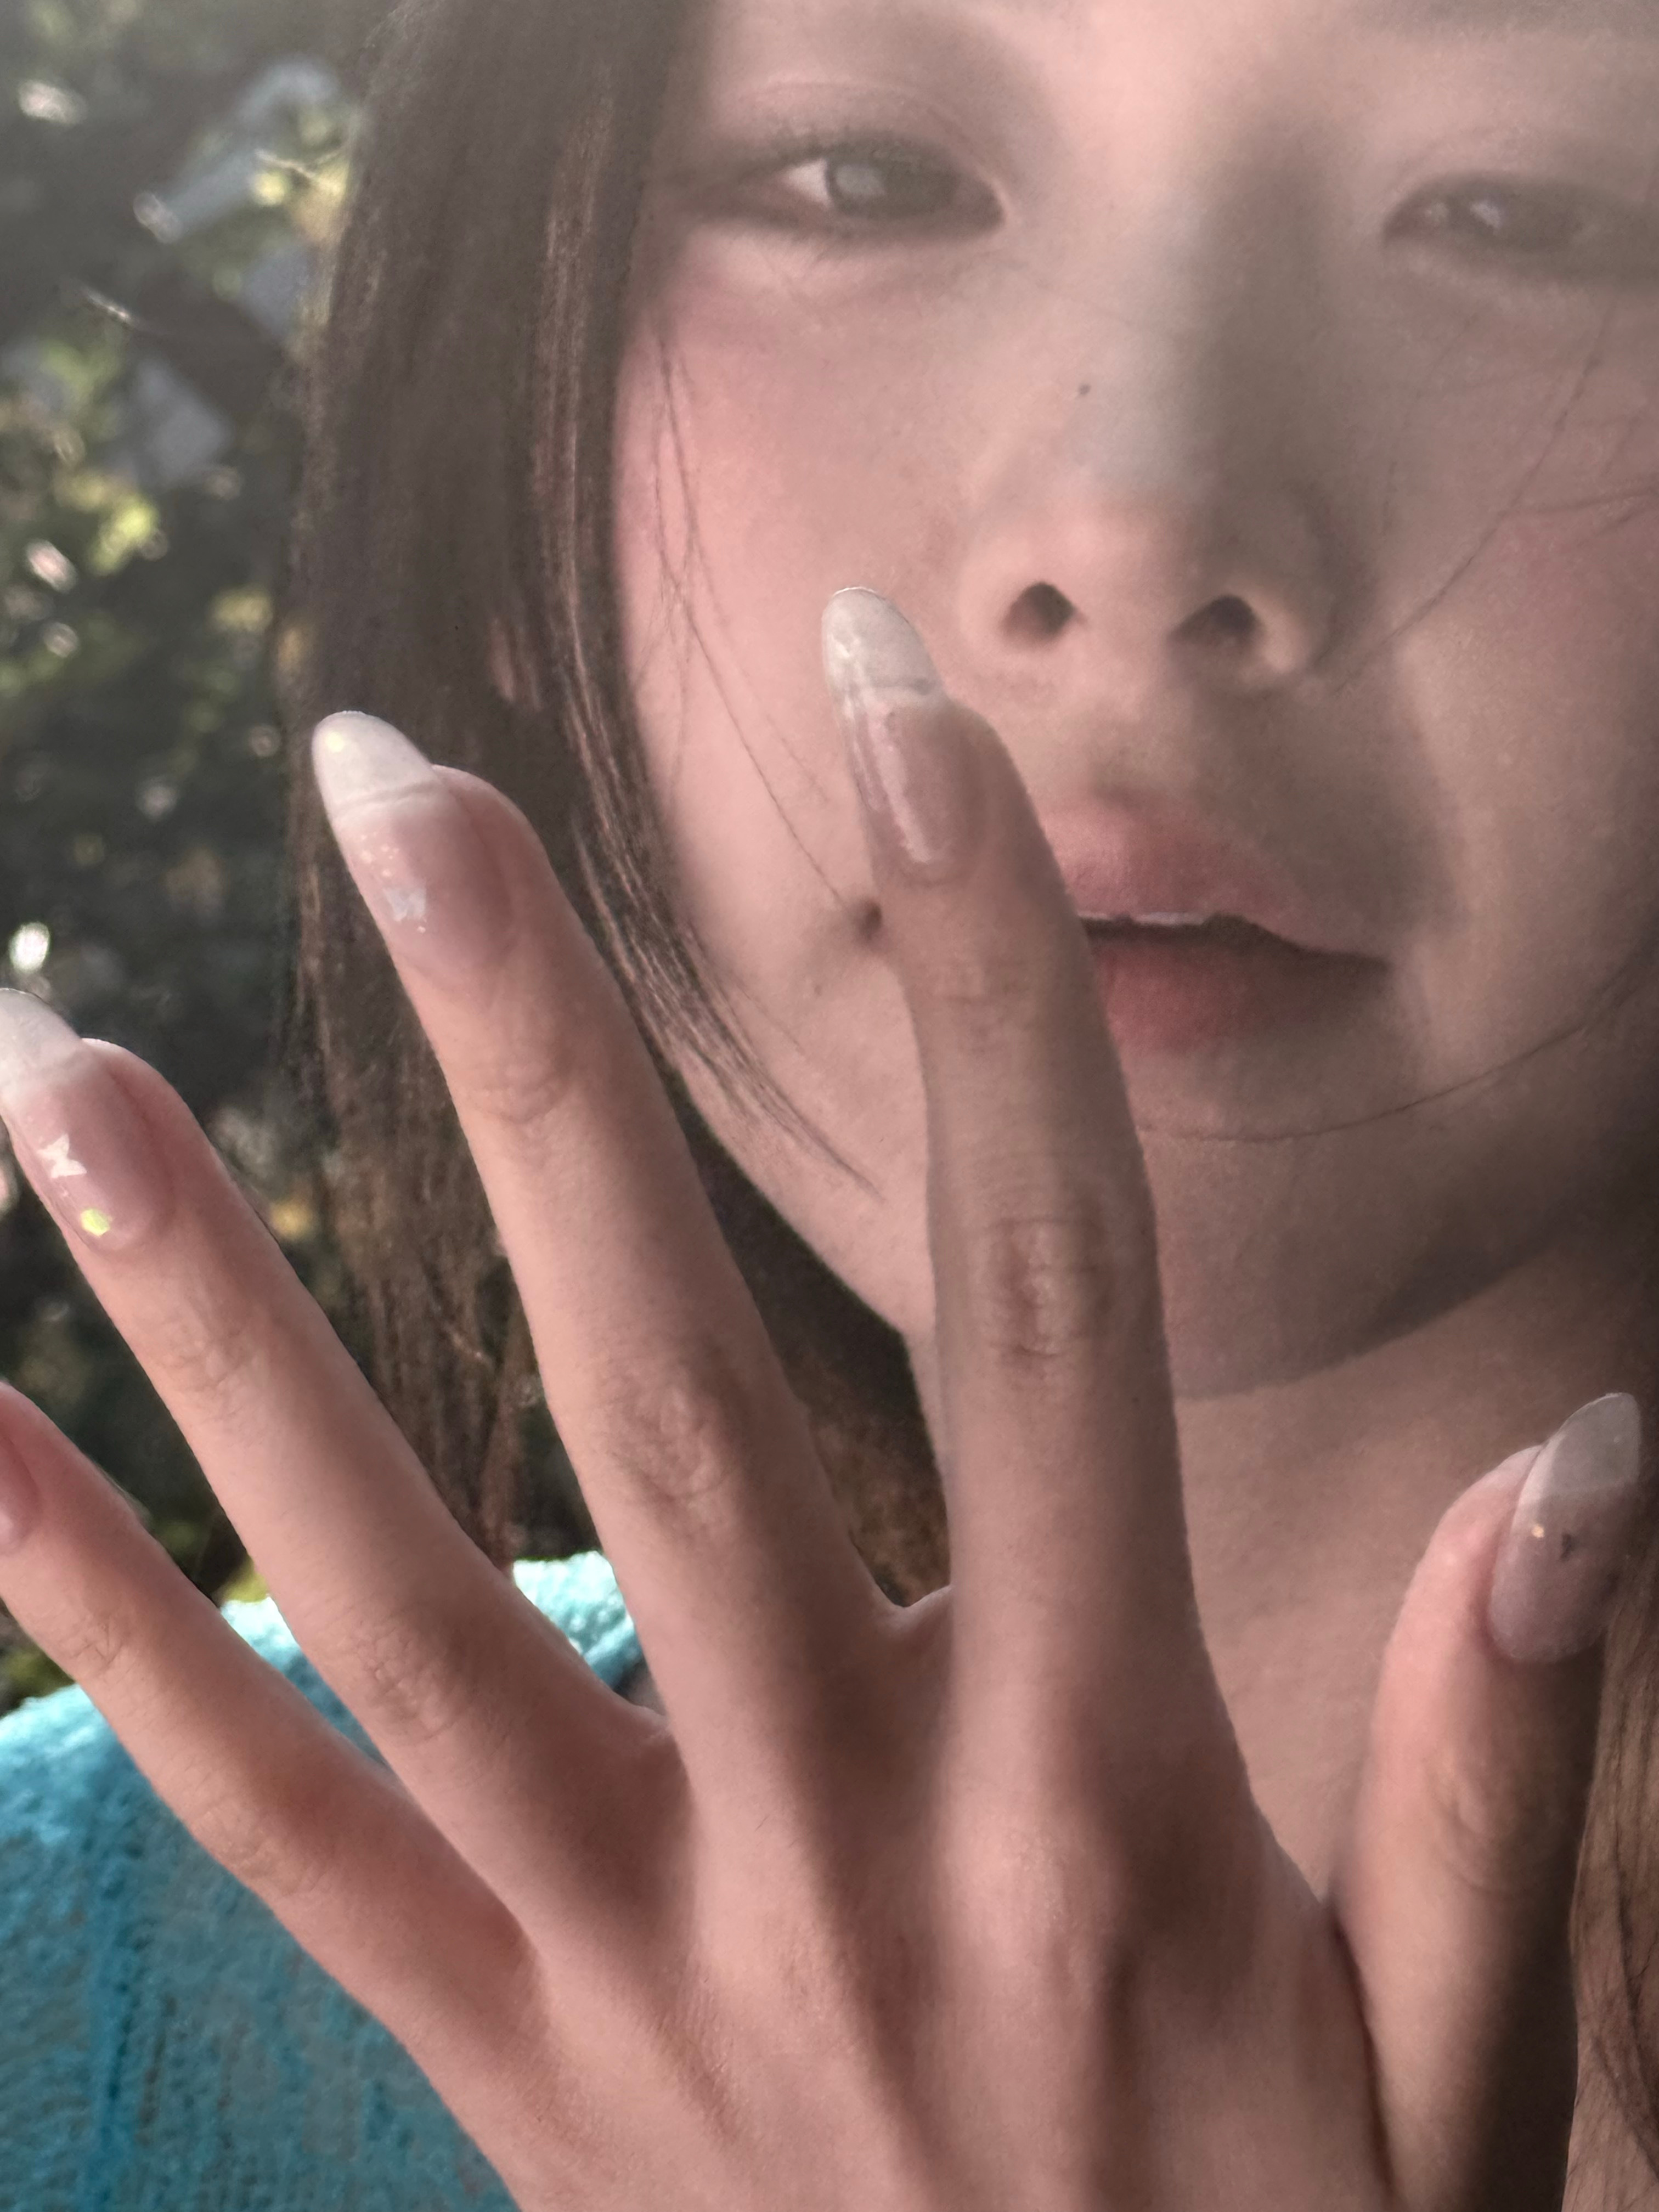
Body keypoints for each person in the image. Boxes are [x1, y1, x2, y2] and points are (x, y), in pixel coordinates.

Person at [3, 0, 1659, 2202]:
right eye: (864, 182)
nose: (1136, 527)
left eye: (1517, 212)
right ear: (509, 454)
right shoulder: (63, 1985)